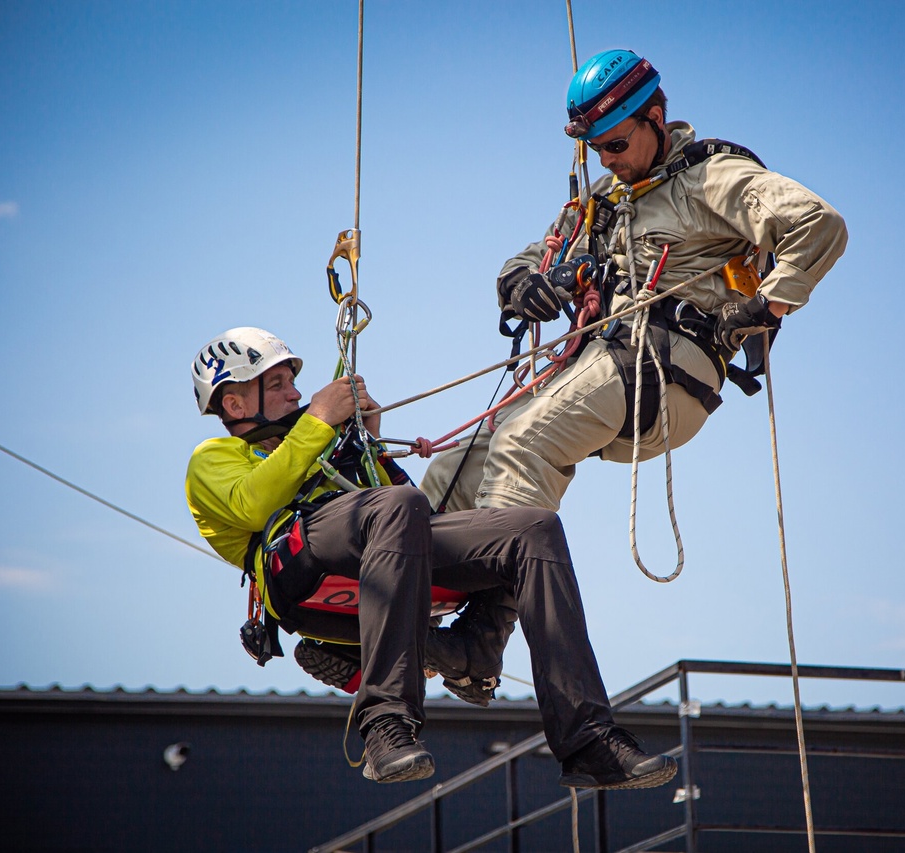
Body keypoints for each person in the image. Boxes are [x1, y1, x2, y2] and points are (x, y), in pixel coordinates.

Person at [184, 327, 677, 789]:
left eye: (293, 383)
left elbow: (408, 514)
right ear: (234, 401)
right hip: (297, 571)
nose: (295, 394)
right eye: (278, 384)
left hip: (374, 551)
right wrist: (317, 423)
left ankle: (581, 734)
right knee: (399, 507)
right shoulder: (212, 458)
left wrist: (368, 449)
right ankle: (384, 724)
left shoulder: (319, 444)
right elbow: (252, 503)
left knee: (531, 530)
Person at [421, 48, 848, 513]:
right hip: (599, 358)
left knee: (520, 447)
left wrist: (768, 305)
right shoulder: (608, 197)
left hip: (668, 367)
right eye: (596, 148)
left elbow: (819, 223)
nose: (605, 160)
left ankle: (507, 580)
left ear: (656, 119)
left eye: (616, 145)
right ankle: (414, 573)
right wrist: (521, 283)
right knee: (456, 470)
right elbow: (537, 253)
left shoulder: (710, 177)